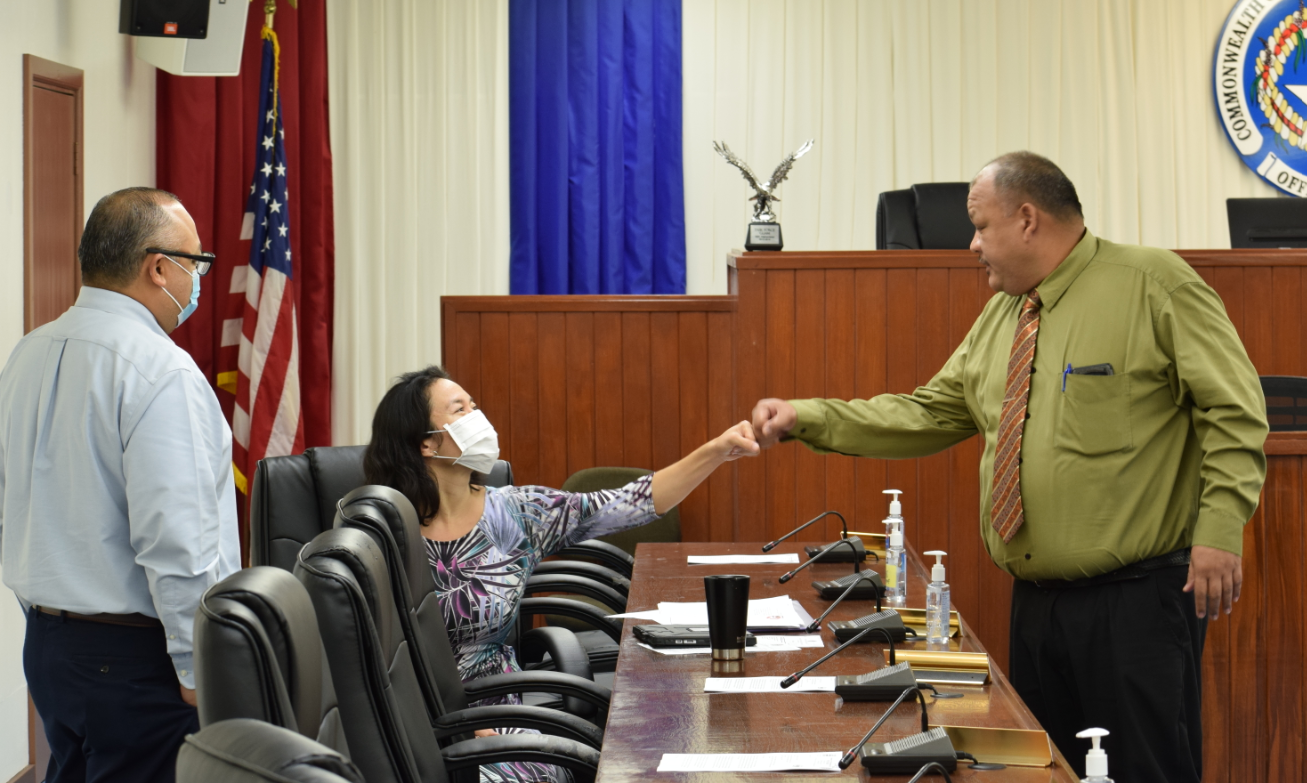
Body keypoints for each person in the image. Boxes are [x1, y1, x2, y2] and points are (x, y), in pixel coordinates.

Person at [750, 152, 1267, 783]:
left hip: (1136, 604)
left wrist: (1219, 531)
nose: (971, 243)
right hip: (1037, 606)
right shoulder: (1006, 312)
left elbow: (1235, 412)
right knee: (1040, 774)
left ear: (1027, 220)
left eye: (980, 225)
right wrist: (807, 417)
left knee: (1143, 770)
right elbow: (929, 412)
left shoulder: (1154, 285)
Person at [364, 365, 759, 783]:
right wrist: (455, 727)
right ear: (427, 443)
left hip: (499, 708)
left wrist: (715, 451)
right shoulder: (387, 534)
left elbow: (628, 503)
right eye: (460, 409)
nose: (478, 418)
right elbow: (375, 656)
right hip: (413, 718)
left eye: (475, 405)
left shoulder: (517, 513)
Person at [0, 188, 241, 783]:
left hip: (50, 646)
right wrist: (196, 668)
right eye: (196, 262)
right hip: (139, 660)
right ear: (158, 268)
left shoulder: (26, 353)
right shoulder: (161, 371)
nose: (197, 278)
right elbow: (178, 542)